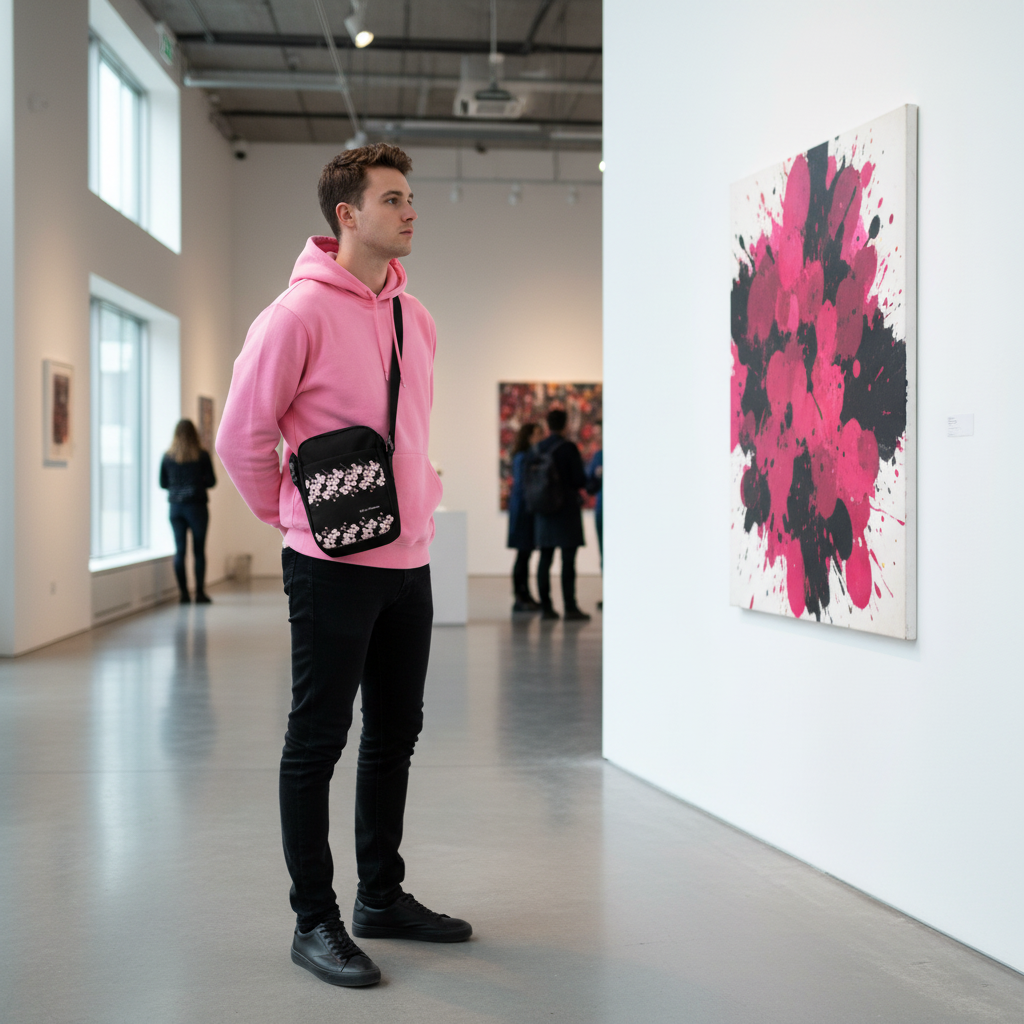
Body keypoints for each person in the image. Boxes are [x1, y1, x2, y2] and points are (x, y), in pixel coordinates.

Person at [216, 143, 470, 990]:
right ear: (346, 215)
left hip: (410, 559)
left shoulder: (420, 316)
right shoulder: (293, 316)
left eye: (411, 197)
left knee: (396, 732)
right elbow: (243, 438)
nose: (411, 211)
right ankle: (313, 918)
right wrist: (291, 522)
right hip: (330, 562)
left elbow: (415, 434)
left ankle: (380, 897)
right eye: (394, 198)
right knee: (318, 739)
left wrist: (423, 497)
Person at [533, 408, 591, 622]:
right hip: (566, 511)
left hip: (544, 512)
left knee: (544, 559)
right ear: (566, 424)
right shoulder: (568, 448)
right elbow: (579, 480)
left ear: (547, 425)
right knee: (568, 561)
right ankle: (570, 607)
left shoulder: (538, 447)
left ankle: (546, 607)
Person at [160, 419, 216, 605]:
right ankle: (199, 593)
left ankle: (183, 594)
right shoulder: (201, 455)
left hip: (176, 508)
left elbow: (163, 483)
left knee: (180, 551)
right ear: (194, 434)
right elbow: (211, 481)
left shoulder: (168, 456)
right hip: (197, 508)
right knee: (198, 551)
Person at [506, 421, 544, 612]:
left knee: (525, 555)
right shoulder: (524, 457)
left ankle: (524, 595)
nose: (540, 437)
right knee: (523, 555)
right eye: (537, 433)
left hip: (523, 511)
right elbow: (522, 486)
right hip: (523, 512)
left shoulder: (525, 456)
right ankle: (521, 597)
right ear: (529, 436)